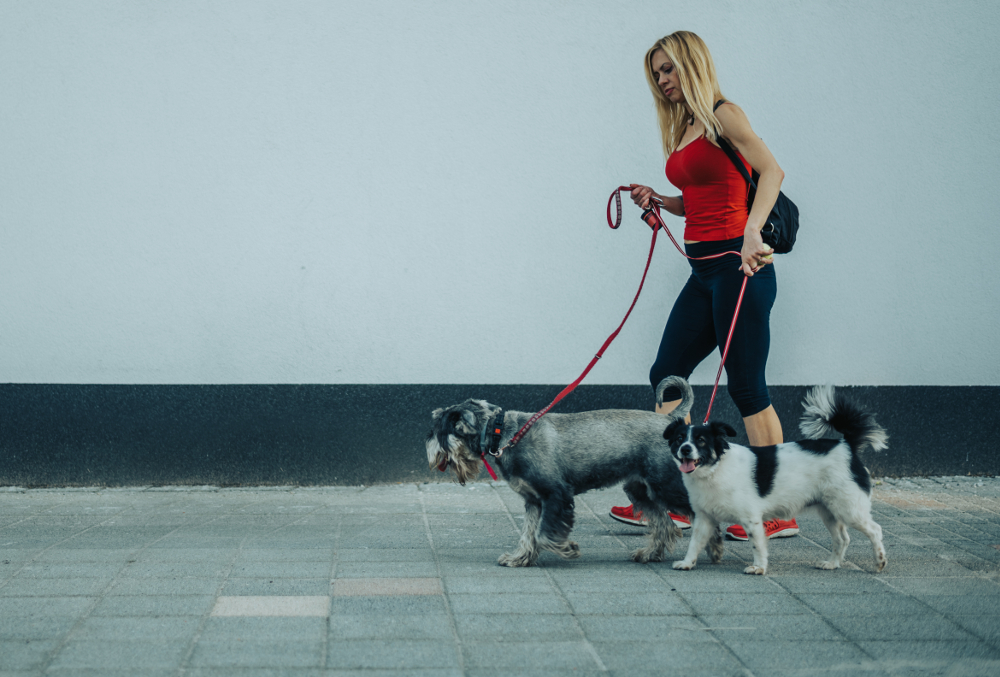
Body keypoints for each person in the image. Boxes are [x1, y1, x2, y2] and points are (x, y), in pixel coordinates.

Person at [609, 30, 798, 542]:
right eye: (656, 74)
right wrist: (662, 201)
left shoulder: (723, 114)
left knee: (746, 387)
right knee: (667, 373)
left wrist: (754, 232)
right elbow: (702, 197)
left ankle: (776, 508)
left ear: (691, 64)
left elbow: (771, 171)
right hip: (703, 272)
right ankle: (674, 499)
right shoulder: (687, 126)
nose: (662, 80)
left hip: (741, 270)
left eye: (668, 69)